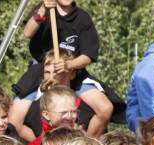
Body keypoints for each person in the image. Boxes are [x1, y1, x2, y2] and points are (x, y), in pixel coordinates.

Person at [21, 0, 112, 136]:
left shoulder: (82, 18)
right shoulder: (43, 8)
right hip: (41, 68)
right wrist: (42, 11)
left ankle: (86, 143)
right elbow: (27, 33)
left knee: (105, 109)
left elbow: (88, 56)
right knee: (15, 116)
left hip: (72, 70)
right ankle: (40, 144)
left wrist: (69, 65)